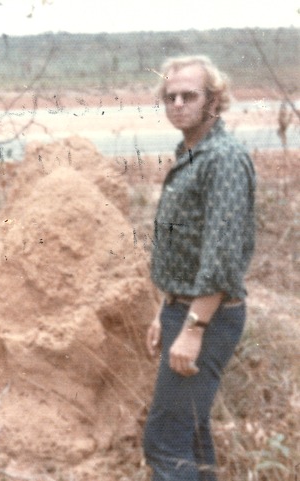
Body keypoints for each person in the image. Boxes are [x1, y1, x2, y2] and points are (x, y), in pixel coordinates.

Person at [143, 55, 256, 480]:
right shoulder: (190, 153)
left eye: (188, 95)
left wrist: (191, 329)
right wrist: (164, 309)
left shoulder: (221, 159)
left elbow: (222, 257)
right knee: (189, 434)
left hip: (207, 316)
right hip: (184, 308)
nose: (177, 103)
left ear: (213, 101)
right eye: (169, 96)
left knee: (164, 440)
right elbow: (184, 246)